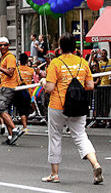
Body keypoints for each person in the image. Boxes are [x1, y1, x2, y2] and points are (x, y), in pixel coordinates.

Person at [41, 32, 103, 185]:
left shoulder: (56, 63)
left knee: (55, 137)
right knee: (81, 136)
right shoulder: (83, 62)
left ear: (60, 47)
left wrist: (42, 81)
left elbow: (49, 88)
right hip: (78, 106)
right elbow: (90, 85)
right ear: (75, 47)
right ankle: (95, 164)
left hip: (57, 106)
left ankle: (54, 174)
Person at [0, 37, 23, 145]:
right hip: (5, 86)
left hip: (8, 87)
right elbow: (2, 75)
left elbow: (10, 73)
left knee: (1, 110)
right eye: (0, 45)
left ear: (8, 46)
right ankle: (10, 136)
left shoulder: (10, 57)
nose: (2, 47)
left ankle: (15, 130)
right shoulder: (3, 58)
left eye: (5, 45)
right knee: (4, 112)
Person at [14, 53, 33, 133]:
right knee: (26, 110)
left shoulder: (16, 70)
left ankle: (25, 127)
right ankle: (25, 125)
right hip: (28, 92)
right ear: (26, 61)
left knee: (21, 110)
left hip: (19, 92)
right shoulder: (31, 70)